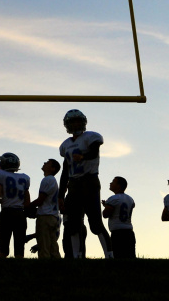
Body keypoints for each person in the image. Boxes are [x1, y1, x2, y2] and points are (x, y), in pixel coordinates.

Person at [59, 109, 113, 258]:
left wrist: (82, 156)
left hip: (89, 181)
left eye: (78, 121)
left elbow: (94, 152)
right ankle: (77, 256)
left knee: (95, 224)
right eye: (73, 121)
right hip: (74, 184)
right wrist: (60, 194)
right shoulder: (65, 145)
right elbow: (65, 171)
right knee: (73, 225)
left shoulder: (91, 137)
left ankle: (109, 255)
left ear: (83, 122)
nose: (76, 124)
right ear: (67, 125)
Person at [0, 152, 31, 258]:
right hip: (19, 213)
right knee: (19, 245)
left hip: (7, 212)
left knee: (4, 245)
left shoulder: (0, 174)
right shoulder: (24, 178)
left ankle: (3, 268)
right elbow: (27, 199)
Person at [31, 159, 61, 259]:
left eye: (47, 163)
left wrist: (27, 206)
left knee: (44, 245)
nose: (44, 163)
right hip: (53, 215)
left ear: (53, 169)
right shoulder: (53, 180)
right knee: (52, 245)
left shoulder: (47, 179)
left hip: (45, 216)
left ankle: (44, 268)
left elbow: (40, 200)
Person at [101, 176, 135, 259]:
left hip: (118, 233)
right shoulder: (130, 199)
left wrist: (106, 207)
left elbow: (105, 214)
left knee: (118, 257)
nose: (111, 183)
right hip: (129, 231)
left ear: (119, 186)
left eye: (113, 182)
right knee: (130, 258)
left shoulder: (113, 199)